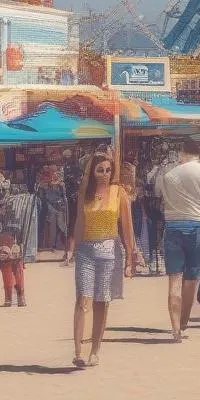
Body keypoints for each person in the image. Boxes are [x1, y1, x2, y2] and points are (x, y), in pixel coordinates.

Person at [70, 151, 135, 368]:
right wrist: (71, 249)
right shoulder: (84, 193)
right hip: (86, 250)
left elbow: (127, 228)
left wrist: (130, 257)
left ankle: (95, 350)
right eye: (100, 170)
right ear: (92, 171)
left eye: (108, 170)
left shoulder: (119, 194)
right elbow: (79, 221)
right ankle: (78, 351)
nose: (105, 174)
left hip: (109, 251)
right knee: (82, 300)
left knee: (101, 301)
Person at [156, 136, 200, 342]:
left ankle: (175, 328)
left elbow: (163, 202)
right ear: (199, 154)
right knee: (192, 278)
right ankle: (183, 322)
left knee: (174, 280)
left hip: (173, 226)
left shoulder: (169, 175)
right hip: (197, 226)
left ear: (182, 153)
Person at [0, 174, 27, 308]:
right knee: (7, 268)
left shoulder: (15, 204)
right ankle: (10, 297)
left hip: (13, 236)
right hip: (4, 237)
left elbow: (20, 222)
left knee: (16, 268)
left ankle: (19, 296)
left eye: (2, 189)